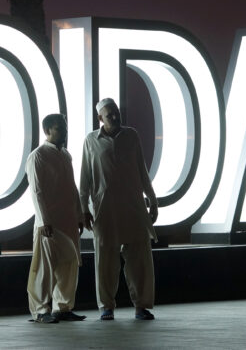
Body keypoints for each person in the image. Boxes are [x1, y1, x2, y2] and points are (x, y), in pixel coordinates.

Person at [79, 98, 158, 320]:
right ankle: (106, 307)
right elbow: (84, 179)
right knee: (105, 261)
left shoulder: (131, 135)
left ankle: (142, 306)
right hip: (105, 210)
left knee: (140, 260)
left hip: (133, 207)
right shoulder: (90, 141)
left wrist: (152, 199)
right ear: (99, 118)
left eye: (116, 113)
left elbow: (142, 171)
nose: (114, 117)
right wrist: (83, 209)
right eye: (109, 114)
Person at [26, 113, 86, 324]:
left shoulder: (66, 155)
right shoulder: (38, 156)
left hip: (68, 220)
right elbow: (37, 191)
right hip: (49, 224)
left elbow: (72, 187)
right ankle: (41, 311)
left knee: (69, 264)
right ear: (47, 131)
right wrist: (44, 222)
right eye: (60, 128)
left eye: (65, 128)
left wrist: (79, 216)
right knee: (44, 268)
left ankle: (63, 307)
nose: (64, 132)